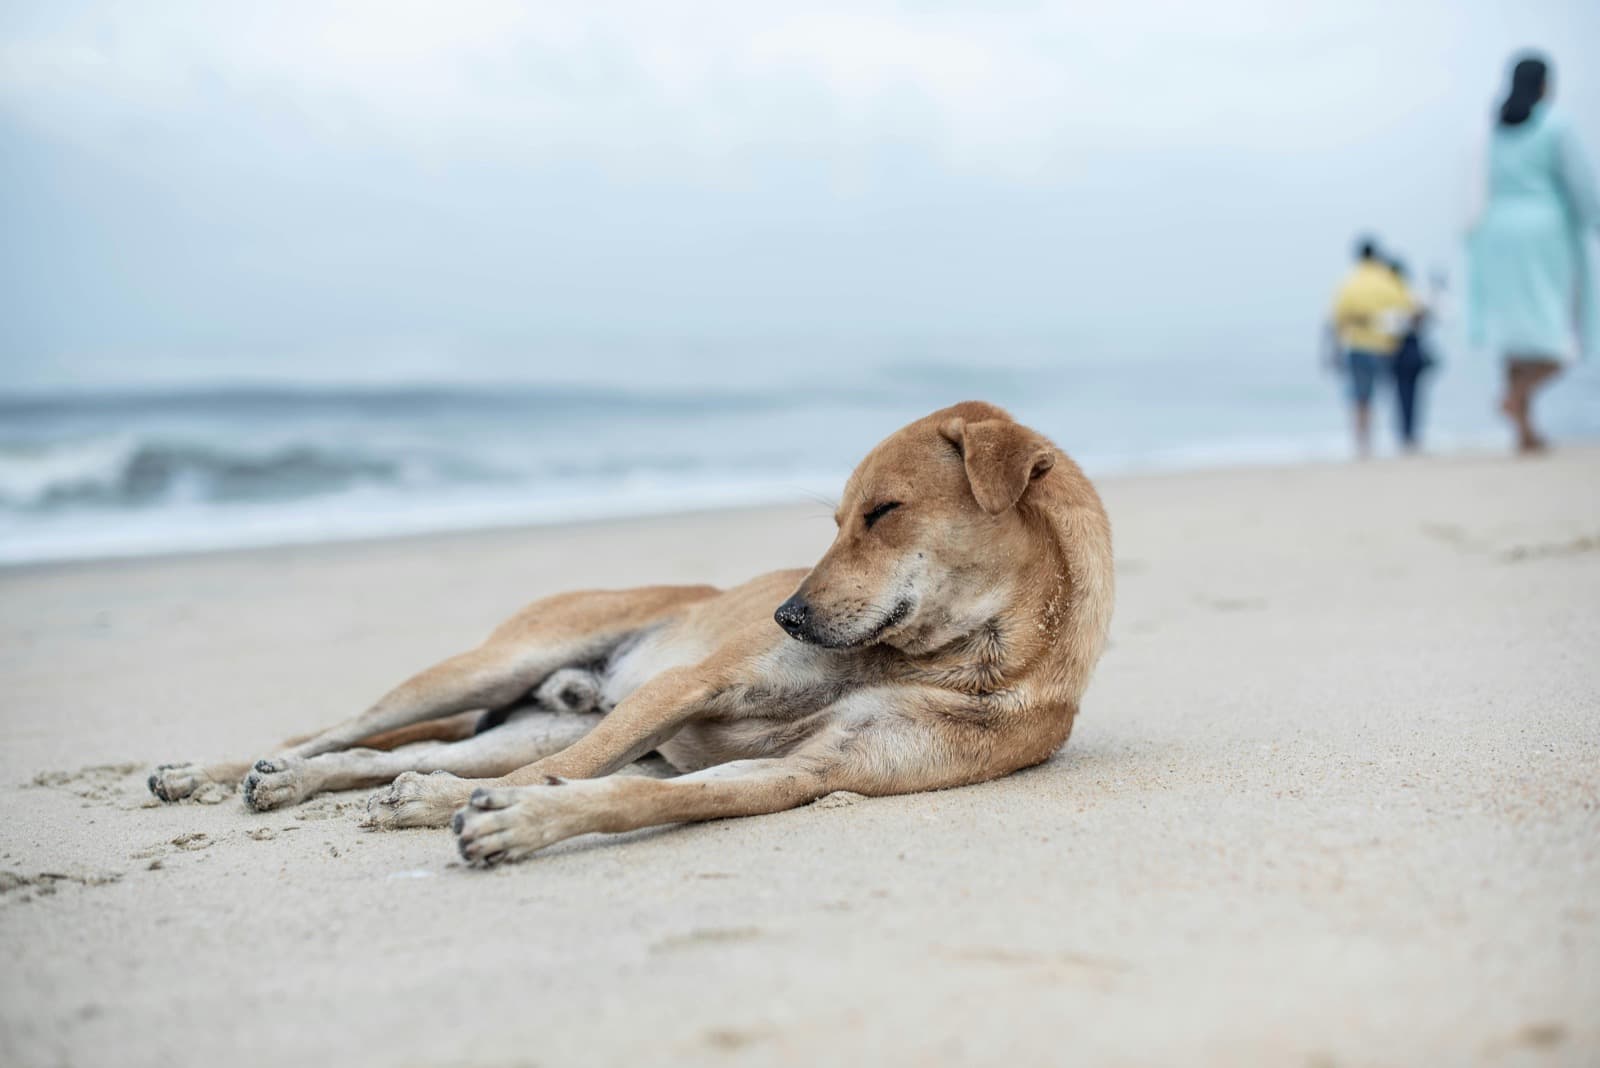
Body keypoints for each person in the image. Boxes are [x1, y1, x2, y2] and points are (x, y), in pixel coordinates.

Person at [1467, 54, 1600, 453]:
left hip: (1496, 234)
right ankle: (1517, 398)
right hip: (1545, 233)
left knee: (1515, 336)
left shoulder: (1492, 130)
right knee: (1558, 334)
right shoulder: (1556, 126)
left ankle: (1525, 431)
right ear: (1545, 85)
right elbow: (1581, 183)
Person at [1329, 238, 1416, 457]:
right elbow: (1410, 310)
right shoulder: (1389, 280)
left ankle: (1363, 444)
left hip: (1358, 345)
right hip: (1387, 347)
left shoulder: (1350, 283)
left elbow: (1338, 319)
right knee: (1391, 394)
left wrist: (1335, 350)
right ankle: (1401, 438)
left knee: (1361, 398)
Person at [1386, 258, 1439, 452]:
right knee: (1412, 395)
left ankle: (1406, 435)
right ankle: (1411, 435)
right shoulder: (1411, 294)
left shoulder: (1393, 294)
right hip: (1412, 347)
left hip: (1399, 348)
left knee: (1403, 394)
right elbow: (1427, 316)